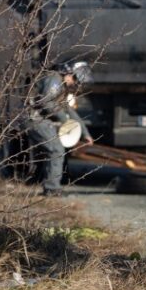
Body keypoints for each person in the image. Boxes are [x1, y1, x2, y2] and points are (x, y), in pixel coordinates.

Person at [25, 61, 94, 196]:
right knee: (56, 149)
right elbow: (46, 102)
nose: (75, 84)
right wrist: (65, 120)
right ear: (69, 74)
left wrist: (85, 134)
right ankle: (51, 189)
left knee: (54, 149)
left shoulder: (61, 87)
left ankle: (49, 186)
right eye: (75, 80)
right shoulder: (54, 80)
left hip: (40, 119)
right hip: (33, 119)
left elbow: (70, 112)